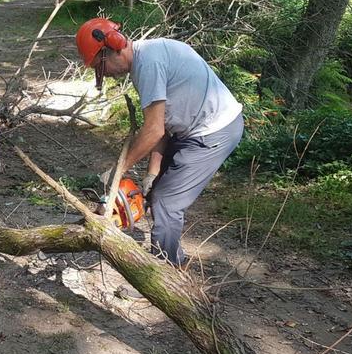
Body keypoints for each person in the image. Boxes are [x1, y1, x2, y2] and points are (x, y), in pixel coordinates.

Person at [75, 18, 244, 267]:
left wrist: (118, 171)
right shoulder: (147, 57)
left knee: (166, 201)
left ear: (112, 48)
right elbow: (161, 126)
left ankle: (166, 274)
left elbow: (153, 130)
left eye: (101, 67)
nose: (106, 75)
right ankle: (174, 256)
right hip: (190, 129)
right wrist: (152, 173)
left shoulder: (149, 65)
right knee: (156, 191)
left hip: (213, 132)